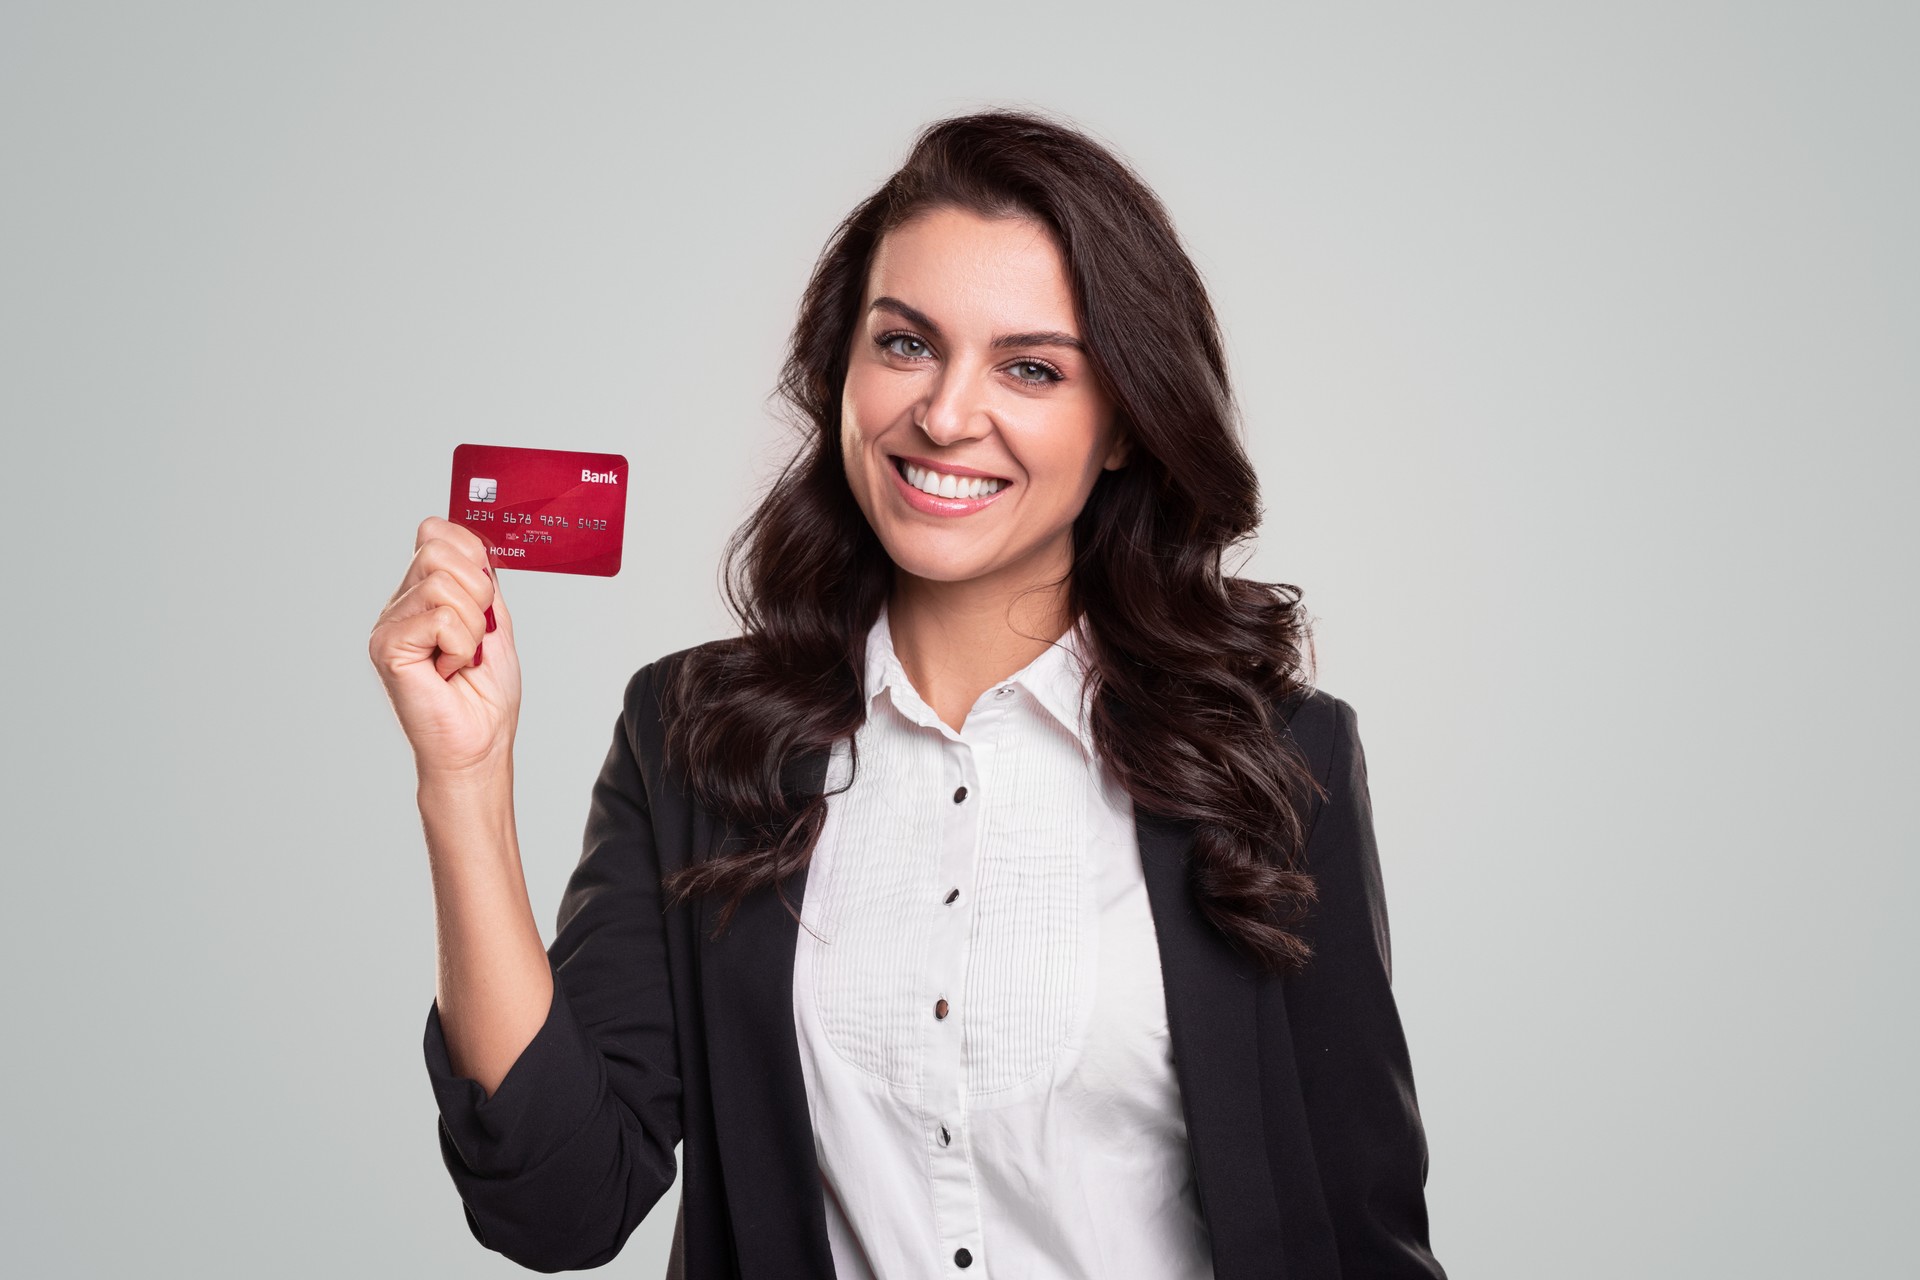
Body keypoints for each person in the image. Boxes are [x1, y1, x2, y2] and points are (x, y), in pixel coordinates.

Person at [371, 107, 1447, 1280]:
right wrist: (464, 780)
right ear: (843, 368)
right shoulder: (693, 736)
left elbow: (1363, 1230)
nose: (943, 414)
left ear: (1126, 422)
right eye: (905, 344)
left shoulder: (1279, 758)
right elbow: (559, 1205)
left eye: (1030, 367)